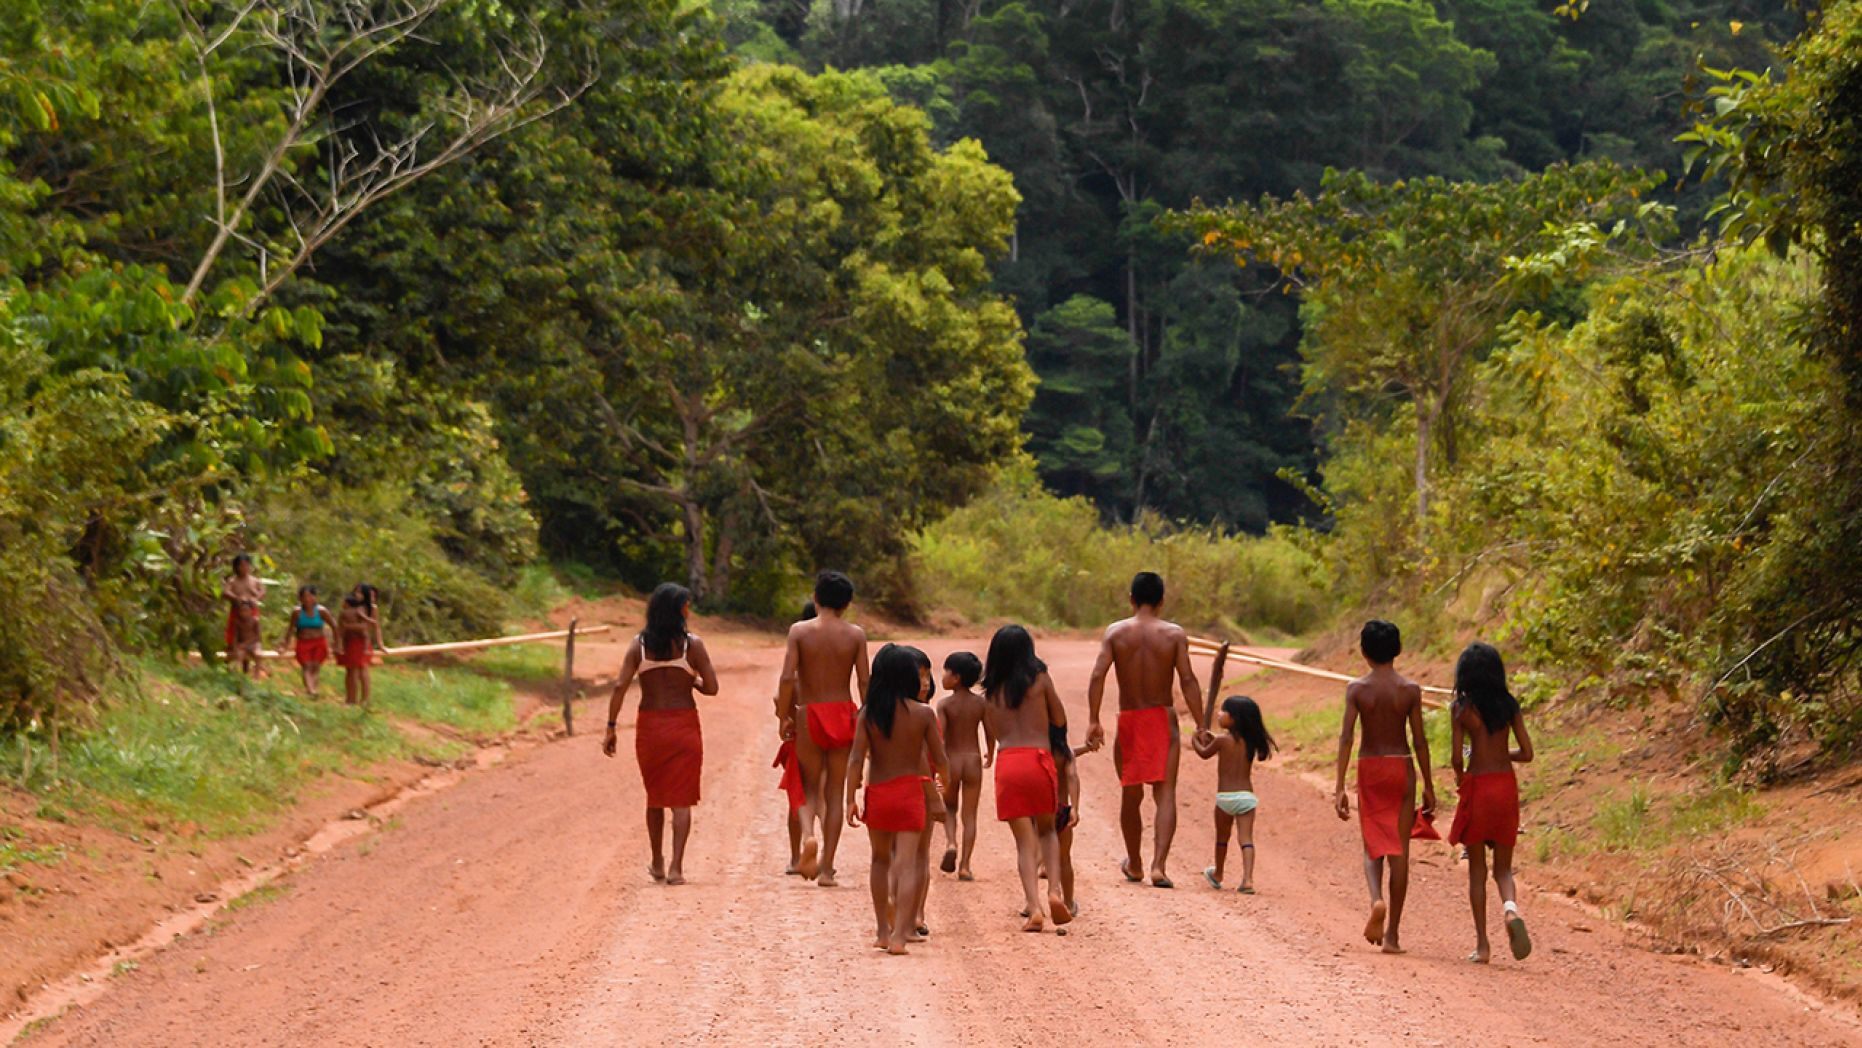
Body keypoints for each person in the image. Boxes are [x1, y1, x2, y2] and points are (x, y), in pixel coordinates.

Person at [1086, 571, 1202, 888]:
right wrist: (1202, 723)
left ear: (1131, 599)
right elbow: (1188, 680)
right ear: (1162, 601)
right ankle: (1159, 867)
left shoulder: (1115, 633)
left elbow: (1098, 675)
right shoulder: (1175, 635)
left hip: (1130, 718)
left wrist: (1094, 718)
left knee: (1130, 792)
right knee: (1165, 794)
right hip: (1162, 718)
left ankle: (1134, 863)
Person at [603, 583, 720, 886]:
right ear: (679, 610)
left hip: (651, 727)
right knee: (681, 800)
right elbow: (712, 688)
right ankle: (677, 868)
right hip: (684, 726)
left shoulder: (638, 646)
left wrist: (611, 726)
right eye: (687, 605)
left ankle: (657, 861)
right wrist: (690, 681)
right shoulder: (693, 646)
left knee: (655, 797)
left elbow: (619, 687)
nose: (689, 610)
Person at [1333, 619, 1436, 954]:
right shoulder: (1410, 690)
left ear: (1363, 651)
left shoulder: (1357, 689)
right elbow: (1420, 741)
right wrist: (1430, 786)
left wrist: (1339, 785)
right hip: (1401, 766)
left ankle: (1376, 899)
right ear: (1398, 650)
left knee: (1372, 844)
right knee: (1400, 850)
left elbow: (1347, 737)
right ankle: (1392, 936)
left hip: (1371, 767)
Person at [845, 644, 948, 955]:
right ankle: (901, 935)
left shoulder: (868, 713)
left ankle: (881, 931)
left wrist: (850, 797)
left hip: (879, 793)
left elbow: (854, 759)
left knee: (879, 861)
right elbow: (940, 758)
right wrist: (943, 785)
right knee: (906, 865)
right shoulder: (923, 714)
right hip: (910, 793)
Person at [776, 572, 870, 887]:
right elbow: (864, 681)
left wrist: (783, 716)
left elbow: (788, 677)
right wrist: (867, 717)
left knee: (807, 785)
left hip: (809, 713)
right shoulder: (856, 635)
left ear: (816, 598)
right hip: (843, 711)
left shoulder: (799, 631)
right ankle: (827, 869)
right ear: (847, 604)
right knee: (835, 791)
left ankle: (807, 835)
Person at [982, 625, 1072, 932]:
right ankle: (1055, 892)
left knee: (1023, 842)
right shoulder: (1041, 681)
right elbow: (1059, 718)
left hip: (1009, 763)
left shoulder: (990, 694)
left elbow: (995, 734)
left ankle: (1034, 907)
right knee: (1047, 832)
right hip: (1038, 759)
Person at [1449, 641, 1535, 963]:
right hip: (1505, 787)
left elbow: (1457, 757)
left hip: (1479, 786)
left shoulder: (1461, 709)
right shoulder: (1509, 705)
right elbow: (1527, 753)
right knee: (1503, 869)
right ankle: (1511, 911)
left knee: (1476, 871)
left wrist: (1461, 776)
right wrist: (1503, 753)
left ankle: (1483, 945)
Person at [1193, 696, 1276, 893]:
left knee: (1222, 838)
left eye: (1223, 712)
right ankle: (1247, 879)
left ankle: (1218, 873)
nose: (1219, 714)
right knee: (1246, 839)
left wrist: (1195, 740)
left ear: (1234, 718)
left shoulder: (1222, 740)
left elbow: (1204, 753)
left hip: (1225, 798)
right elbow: (1223, 743)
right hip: (1246, 797)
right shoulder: (1251, 742)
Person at [935, 651, 993, 881]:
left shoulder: (945, 704)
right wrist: (991, 752)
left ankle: (950, 843)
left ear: (956, 677)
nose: (943, 676)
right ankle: (966, 865)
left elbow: (940, 737)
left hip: (951, 759)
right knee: (970, 815)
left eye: (946, 671)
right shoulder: (981, 703)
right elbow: (990, 731)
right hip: (973, 759)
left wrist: (938, 764)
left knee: (950, 808)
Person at [773, 601, 817, 875]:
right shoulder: (840, 645)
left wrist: (784, 717)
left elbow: (781, 694)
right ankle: (827, 861)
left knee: (797, 797)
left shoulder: (799, 651)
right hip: (829, 726)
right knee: (826, 794)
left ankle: (794, 856)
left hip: (799, 735)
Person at [905, 647, 942, 940]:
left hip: (925, 787)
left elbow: (938, 755)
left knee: (921, 854)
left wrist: (939, 783)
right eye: (919, 677)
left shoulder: (929, 715)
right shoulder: (909, 716)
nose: (926, 683)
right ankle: (905, 910)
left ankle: (918, 912)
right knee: (905, 855)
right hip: (908, 788)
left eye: (928, 675)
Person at [1052, 728, 1100, 918]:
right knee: (1064, 859)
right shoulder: (1065, 753)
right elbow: (1072, 775)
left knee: (1032, 856)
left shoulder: (1038, 750)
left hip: (1040, 811)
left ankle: (1030, 903)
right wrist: (1075, 807)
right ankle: (1069, 902)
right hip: (1061, 809)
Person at [280, 586, 336, 698]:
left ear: (315, 597)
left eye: (310, 596)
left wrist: (337, 643)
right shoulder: (297, 612)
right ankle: (311, 690)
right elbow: (290, 629)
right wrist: (284, 645)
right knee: (306, 665)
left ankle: (312, 690)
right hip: (303, 642)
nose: (307, 599)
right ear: (300, 598)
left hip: (319, 642)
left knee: (316, 666)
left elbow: (334, 626)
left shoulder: (321, 611)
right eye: (304, 596)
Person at [336, 584, 383, 706]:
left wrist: (380, 643)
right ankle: (351, 698)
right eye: (356, 592)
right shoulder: (349, 608)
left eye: (361, 593)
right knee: (350, 670)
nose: (358, 595)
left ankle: (363, 700)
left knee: (360, 670)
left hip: (361, 642)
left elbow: (371, 626)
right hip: (348, 641)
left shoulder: (370, 608)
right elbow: (340, 627)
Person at [222, 553, 266, 677]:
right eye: (241, 565)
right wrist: (236, 598)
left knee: (249, 636)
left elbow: (262, 591)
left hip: (252, 612)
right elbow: (225, 592)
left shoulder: (254, 580)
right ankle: (230, 665)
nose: (244, 568)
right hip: (236, 612)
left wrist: (255, 598)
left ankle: (247, 668)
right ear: (236, 567)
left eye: (246, 565)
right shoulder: (232, 580)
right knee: (234, 638)